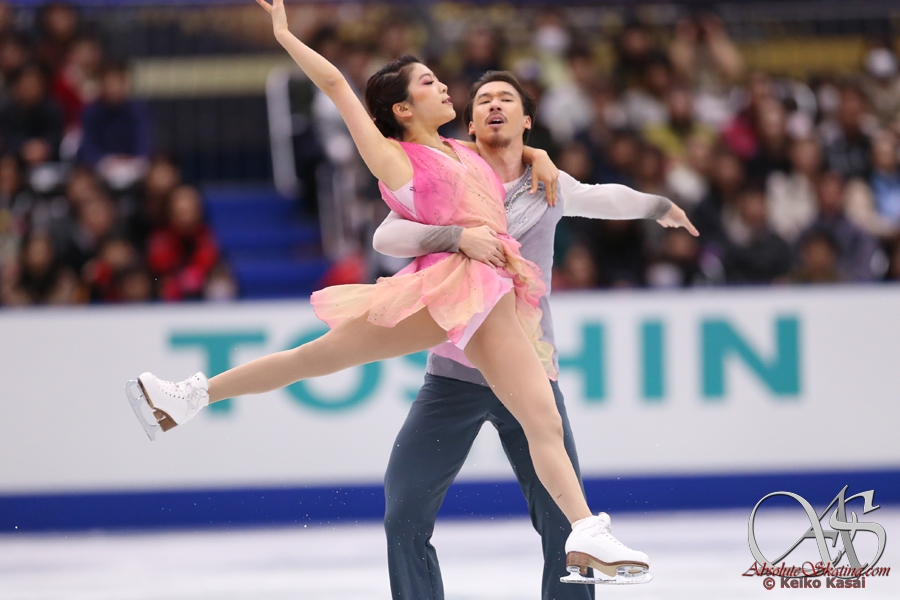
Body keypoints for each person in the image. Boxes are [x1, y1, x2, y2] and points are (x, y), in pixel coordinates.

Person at [129, 0, 650, 585]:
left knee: (536, 418)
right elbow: (336, 85)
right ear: (403, 108)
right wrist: (284, 34)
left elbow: (509, 149)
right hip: (466, 290)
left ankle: (585, 534)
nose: (444, 86)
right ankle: (187, 396)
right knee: (321, 359)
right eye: (428, 82)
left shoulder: (464, 149)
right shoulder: (398, 160)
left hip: (468, 292)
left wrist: (541, 154)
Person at [371, 70, 697, 600]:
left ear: (526, 121)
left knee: (568, 527)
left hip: (529, 374)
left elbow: (605, 198)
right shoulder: (446, 174)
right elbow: (387, 233)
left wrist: (658, 206)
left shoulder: (548, 184)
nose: (493, 105)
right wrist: (454, 236)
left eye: (506, 99)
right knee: (403, 515)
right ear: (469, 125)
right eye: (483, 100)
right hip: (453, 374)